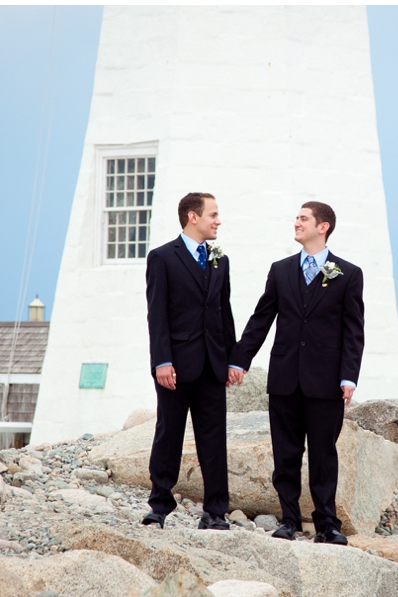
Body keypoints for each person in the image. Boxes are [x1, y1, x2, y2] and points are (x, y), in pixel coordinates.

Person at [228, 201, 364, 546]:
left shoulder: (348, 274)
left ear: (324, 227)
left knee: (323, 456)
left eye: (303, 219)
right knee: (285, 455)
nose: (296, 223)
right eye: (296, 218)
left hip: (326, 382)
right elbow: (262, 319)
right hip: (285, 378)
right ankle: (288, 520)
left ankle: (327, 525)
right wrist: (239, 360)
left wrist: (348, 377)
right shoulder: (281, 270)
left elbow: (354, 331)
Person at [143, 192, 236, 531]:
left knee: (214, 439)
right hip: (176, 366)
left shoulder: (219, 260)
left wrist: (232, 360)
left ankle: (215, 511)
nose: (218, 220)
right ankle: (159, 506)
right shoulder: (162, 258)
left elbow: (224, 313)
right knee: (169, 434)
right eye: (213, 214)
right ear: (193, 217)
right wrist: (162, 361)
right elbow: (158, 315)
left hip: (212, 364)